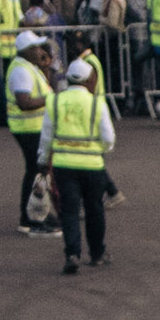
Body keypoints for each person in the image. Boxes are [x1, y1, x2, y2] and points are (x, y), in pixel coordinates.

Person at [43, 48, 115, 275]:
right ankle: (97, 254)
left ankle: (72, 253)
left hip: (64, 166)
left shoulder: (54, 101)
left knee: (70, 210)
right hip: (93, 166)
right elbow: (109, 139)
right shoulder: (97, 104)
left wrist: (43, 160)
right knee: (95, 210)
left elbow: (46, 136)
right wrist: (98, 149)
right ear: (89, 79)